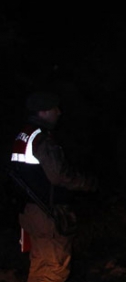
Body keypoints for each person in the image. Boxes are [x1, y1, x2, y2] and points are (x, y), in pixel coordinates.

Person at [10, 91, 97, 282]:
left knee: (40, 265)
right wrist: (88, 183)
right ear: (42, 111)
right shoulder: (42, 139)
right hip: (47, 214)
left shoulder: (23, 135)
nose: (59, 112)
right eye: (54, 108)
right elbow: (60, 175)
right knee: (54, 269)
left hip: (30, 212)